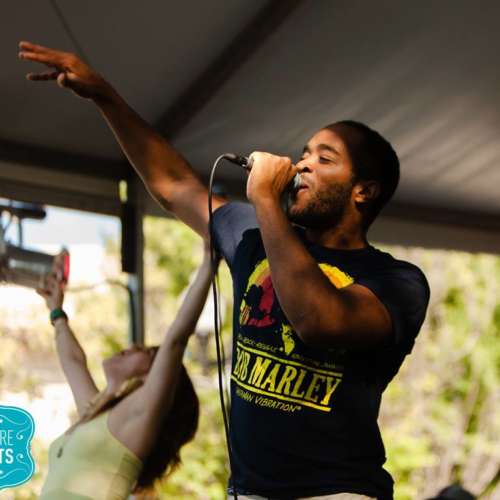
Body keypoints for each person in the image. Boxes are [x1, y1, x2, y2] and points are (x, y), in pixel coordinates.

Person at [20, 41, 430, 500]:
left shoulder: (397, 282)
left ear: (364, 191)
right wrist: (104, 96)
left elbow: (317, 320)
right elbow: (175, 185)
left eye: (325, 159)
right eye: (305, 153)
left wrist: (265, 200)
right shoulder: (255, 235)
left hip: (337, 492)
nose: (302, 164)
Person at [35, 246, 214, 499]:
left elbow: (176, 340)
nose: (131, 347)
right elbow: (73, 362)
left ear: (151, 380)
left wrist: (208, 263)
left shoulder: (132, 420)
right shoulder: (96, 411)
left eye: (144, 352)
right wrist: (56, 311)